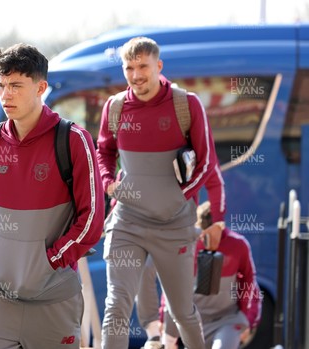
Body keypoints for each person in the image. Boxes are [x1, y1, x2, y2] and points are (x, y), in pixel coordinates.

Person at [0, 43, 104, 349]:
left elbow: (92, 217)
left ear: (40, 87)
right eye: (0, 85)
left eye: (16, 85)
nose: (5, 95)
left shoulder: (73, 140)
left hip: (53, 301)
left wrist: (50, 261)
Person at [96, 36, 220, 349]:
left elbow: (206, 163)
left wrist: (179, 198)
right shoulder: (115, 107)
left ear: (158, 66)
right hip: (127, 222)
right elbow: (103, 151)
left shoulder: (186, 104)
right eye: (129, 68)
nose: (136, 75)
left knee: (182, 312)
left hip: (174, 224)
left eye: (143, 66)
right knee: (116, 306)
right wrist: (108, 180)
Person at [135, 163, 227, 349]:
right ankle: (154, 336)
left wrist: (218, 223)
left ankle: (169, 342)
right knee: (144, 270)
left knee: (175, 287)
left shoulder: (194, 143)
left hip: (181, 228)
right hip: (153, 224)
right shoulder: (149, 153)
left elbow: (215, 180)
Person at [161, 201, 262, 349]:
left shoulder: (238, 246)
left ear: (220, 227)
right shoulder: (188, 244)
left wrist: (247, 318)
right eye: (203, 236)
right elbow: (171, 284)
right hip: (193, 318)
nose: (207, 242)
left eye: (211, 236)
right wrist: (163, 318)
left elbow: (249, 282)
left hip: (226, 318)